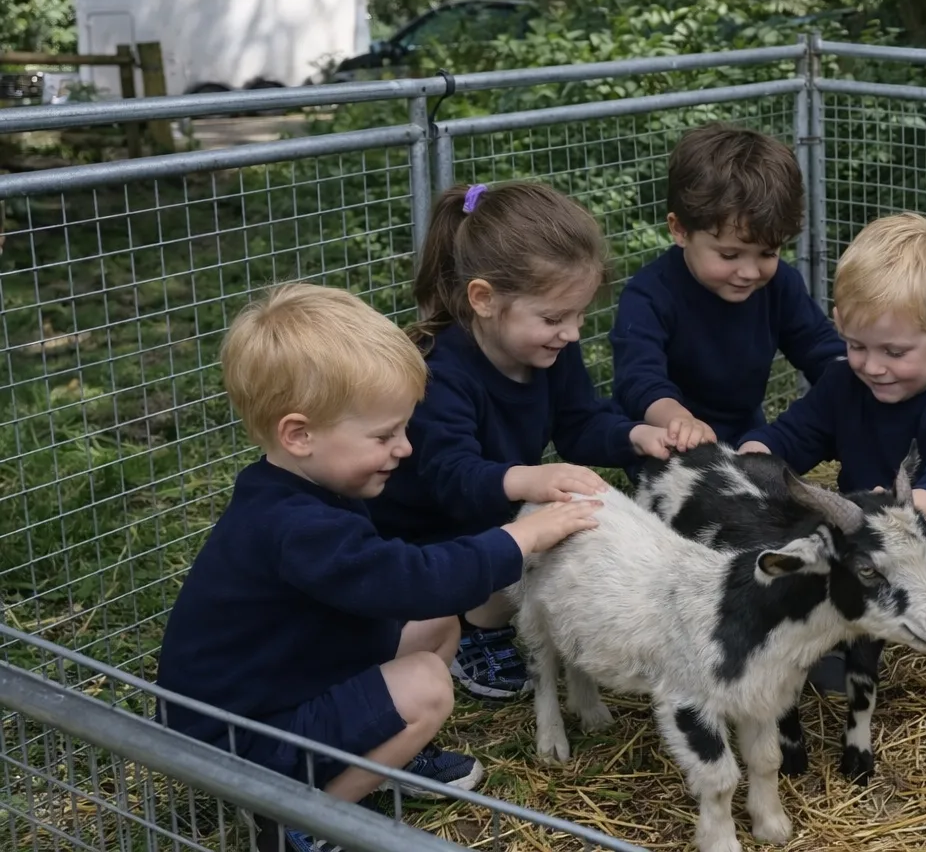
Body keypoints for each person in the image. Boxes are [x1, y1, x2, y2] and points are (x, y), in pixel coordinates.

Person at [156, 283, 601, 852]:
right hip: (238, 740)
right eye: (384, 434)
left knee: (439, 621)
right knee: (426, 689)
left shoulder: (304, 487)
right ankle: (302, 821)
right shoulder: (295, 526)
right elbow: (412, 581)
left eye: (404, 429)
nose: (406, 448)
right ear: (299, 435)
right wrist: (521, 536)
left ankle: (384, 755)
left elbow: (411, 584)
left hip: (288, 684)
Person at [369, 180, 709, 701]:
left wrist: (640, 435)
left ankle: (482, 609)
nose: (571, 333)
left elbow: (579, 423)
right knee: (536, 544)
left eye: (578, 316)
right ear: (484, 299)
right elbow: (450, 477)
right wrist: (531, 480)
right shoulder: (440, 374)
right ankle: (474, 632)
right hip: (422, 541)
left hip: (486, 517)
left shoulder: (549, 352)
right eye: (554, 317)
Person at [739, 212, 926, 687]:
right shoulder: (842, 382)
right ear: (838, 323)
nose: (873, 366)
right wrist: (754, 458)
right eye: (857, 345)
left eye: (894, 352)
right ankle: (838, 646)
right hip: (871, 534)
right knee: (832, 577)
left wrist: (908, 511)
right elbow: (795, 435)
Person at [610, 122, 846, 451]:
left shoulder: (781, 284)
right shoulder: (648, 295)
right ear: (679, 230)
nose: (749, 272)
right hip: (667, 445)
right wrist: (680, 421)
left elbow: (820, 349)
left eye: (768, 252)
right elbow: (639, 380)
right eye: (729, 254)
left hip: (746, 439)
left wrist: (863, 377)